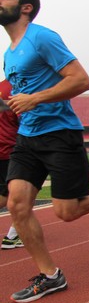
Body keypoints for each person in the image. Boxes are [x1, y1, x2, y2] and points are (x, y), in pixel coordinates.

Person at [0, 0, 89, 303]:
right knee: (16, 204)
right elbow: (21, 95)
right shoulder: (9, 54)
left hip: (60, 133)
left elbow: (81, 80)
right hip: (27, 137)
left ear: (25, 7)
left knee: (67, 212)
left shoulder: (41, 37)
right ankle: (51, 276)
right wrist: (19, 104)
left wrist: (34, 99)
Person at [0, 79, 23, 249]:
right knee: (22, 195)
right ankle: (13, 236)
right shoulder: (19, 89)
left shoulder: (1, 88)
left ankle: (14, 235)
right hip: (11, 149)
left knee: (6, 194)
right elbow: (24, 121)